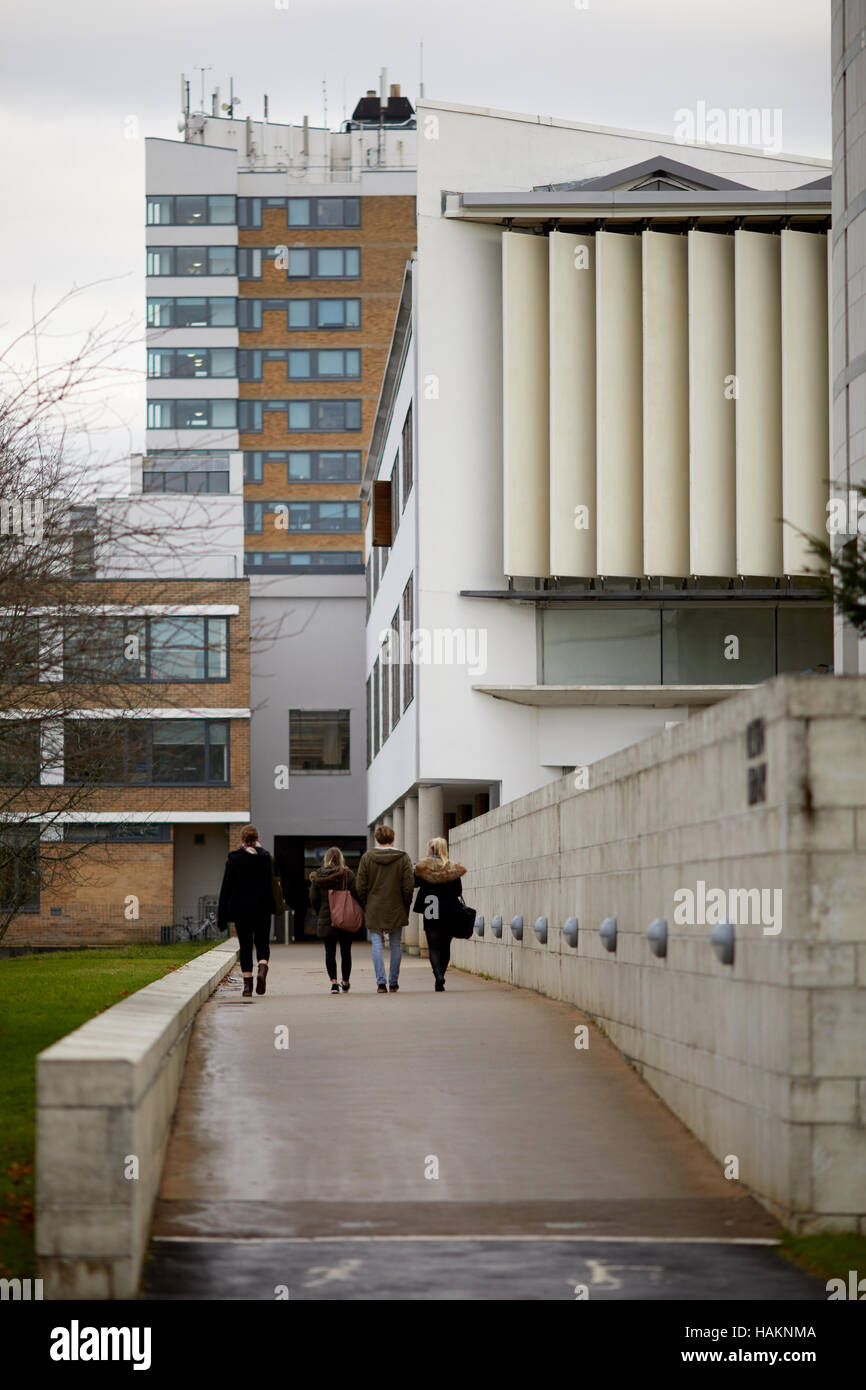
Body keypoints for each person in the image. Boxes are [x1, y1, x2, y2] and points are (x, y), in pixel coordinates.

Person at [217, 825, 284, 999]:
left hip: (241, 911)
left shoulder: (234, 859)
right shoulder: (267, 858)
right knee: (262, 943)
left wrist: (222, 915)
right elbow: (276, 883)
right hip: (262, 909)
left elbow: (226, 888)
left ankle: (247, 986)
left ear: (242, 839)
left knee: (245, 946)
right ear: (256, 838)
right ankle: (262, 967)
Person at [356, 824, 414, 993]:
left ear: (377, 838)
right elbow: (408, 886)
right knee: (395, 944)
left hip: (374, 906)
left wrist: (368, 901)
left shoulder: (367, 858)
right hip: (396, 906)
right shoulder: (403, 858)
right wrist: (405, 903)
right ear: (393, 838)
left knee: (376, 943)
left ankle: (381, 982)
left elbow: (361, 886)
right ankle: (393, 982)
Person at [413, 837, 468, 991]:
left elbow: (414, 883)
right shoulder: (452, 867)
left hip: (431, 909)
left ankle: (438, 974)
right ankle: (442, 973)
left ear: (431, 849)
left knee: (433, 946)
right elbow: (458, 891)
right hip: (450, 909)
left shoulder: (422, 867)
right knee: (445, 946)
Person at [309, 847, 361, 994]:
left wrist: (321, 912)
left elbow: (313, 898)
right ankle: (345, 982)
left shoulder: (318, 876)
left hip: (326, 918)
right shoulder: (347, 875)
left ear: (326, 858)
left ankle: (333, 983)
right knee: (346, 951)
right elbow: (357, 894)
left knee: (329, 952)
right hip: (344, 918)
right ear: (341, 858)